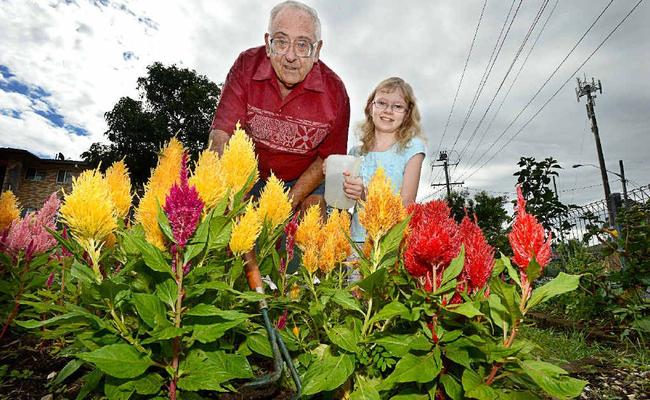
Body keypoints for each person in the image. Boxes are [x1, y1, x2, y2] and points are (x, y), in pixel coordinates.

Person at [208, 0, 350, 213]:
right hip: (249, 172)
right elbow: (221, 134)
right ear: (268, 43)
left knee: (314, 209)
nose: (291, 56)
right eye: (281, 42)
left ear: (317, 50)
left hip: (301, 179)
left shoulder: (336, 92)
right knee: (233, 216)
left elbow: (328, 159)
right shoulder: (246, 64)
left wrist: (287, 203)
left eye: (302, 45)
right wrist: (230, 188)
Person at [326, 77, 426, 244]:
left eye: (398, 106)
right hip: (358, 241)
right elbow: (343, 202)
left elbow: (407, 204)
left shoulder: (413, 148)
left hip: (391, 242)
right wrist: (332, 174)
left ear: (407, 114)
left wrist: (364, 195)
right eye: (381, 103)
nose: (388, 110)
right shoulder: (356, 152)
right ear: (370, 107)